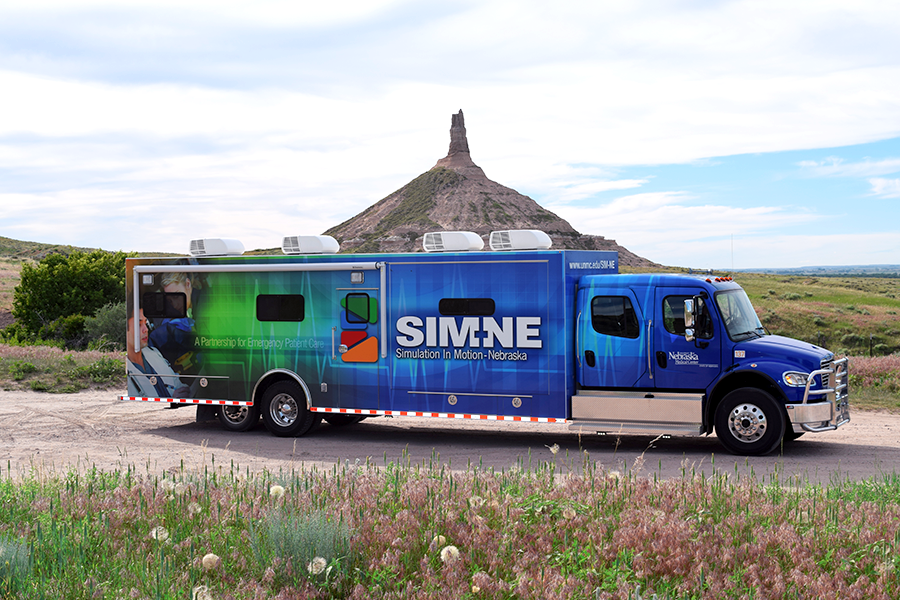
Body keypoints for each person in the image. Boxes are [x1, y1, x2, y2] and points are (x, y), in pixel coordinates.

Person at [126, 303, 191, 398]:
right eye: (139, 325)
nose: (146, 329)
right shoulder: (125, 370)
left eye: (146, 323)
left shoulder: (154, 353)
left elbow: (177, 384)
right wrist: (171, 399)